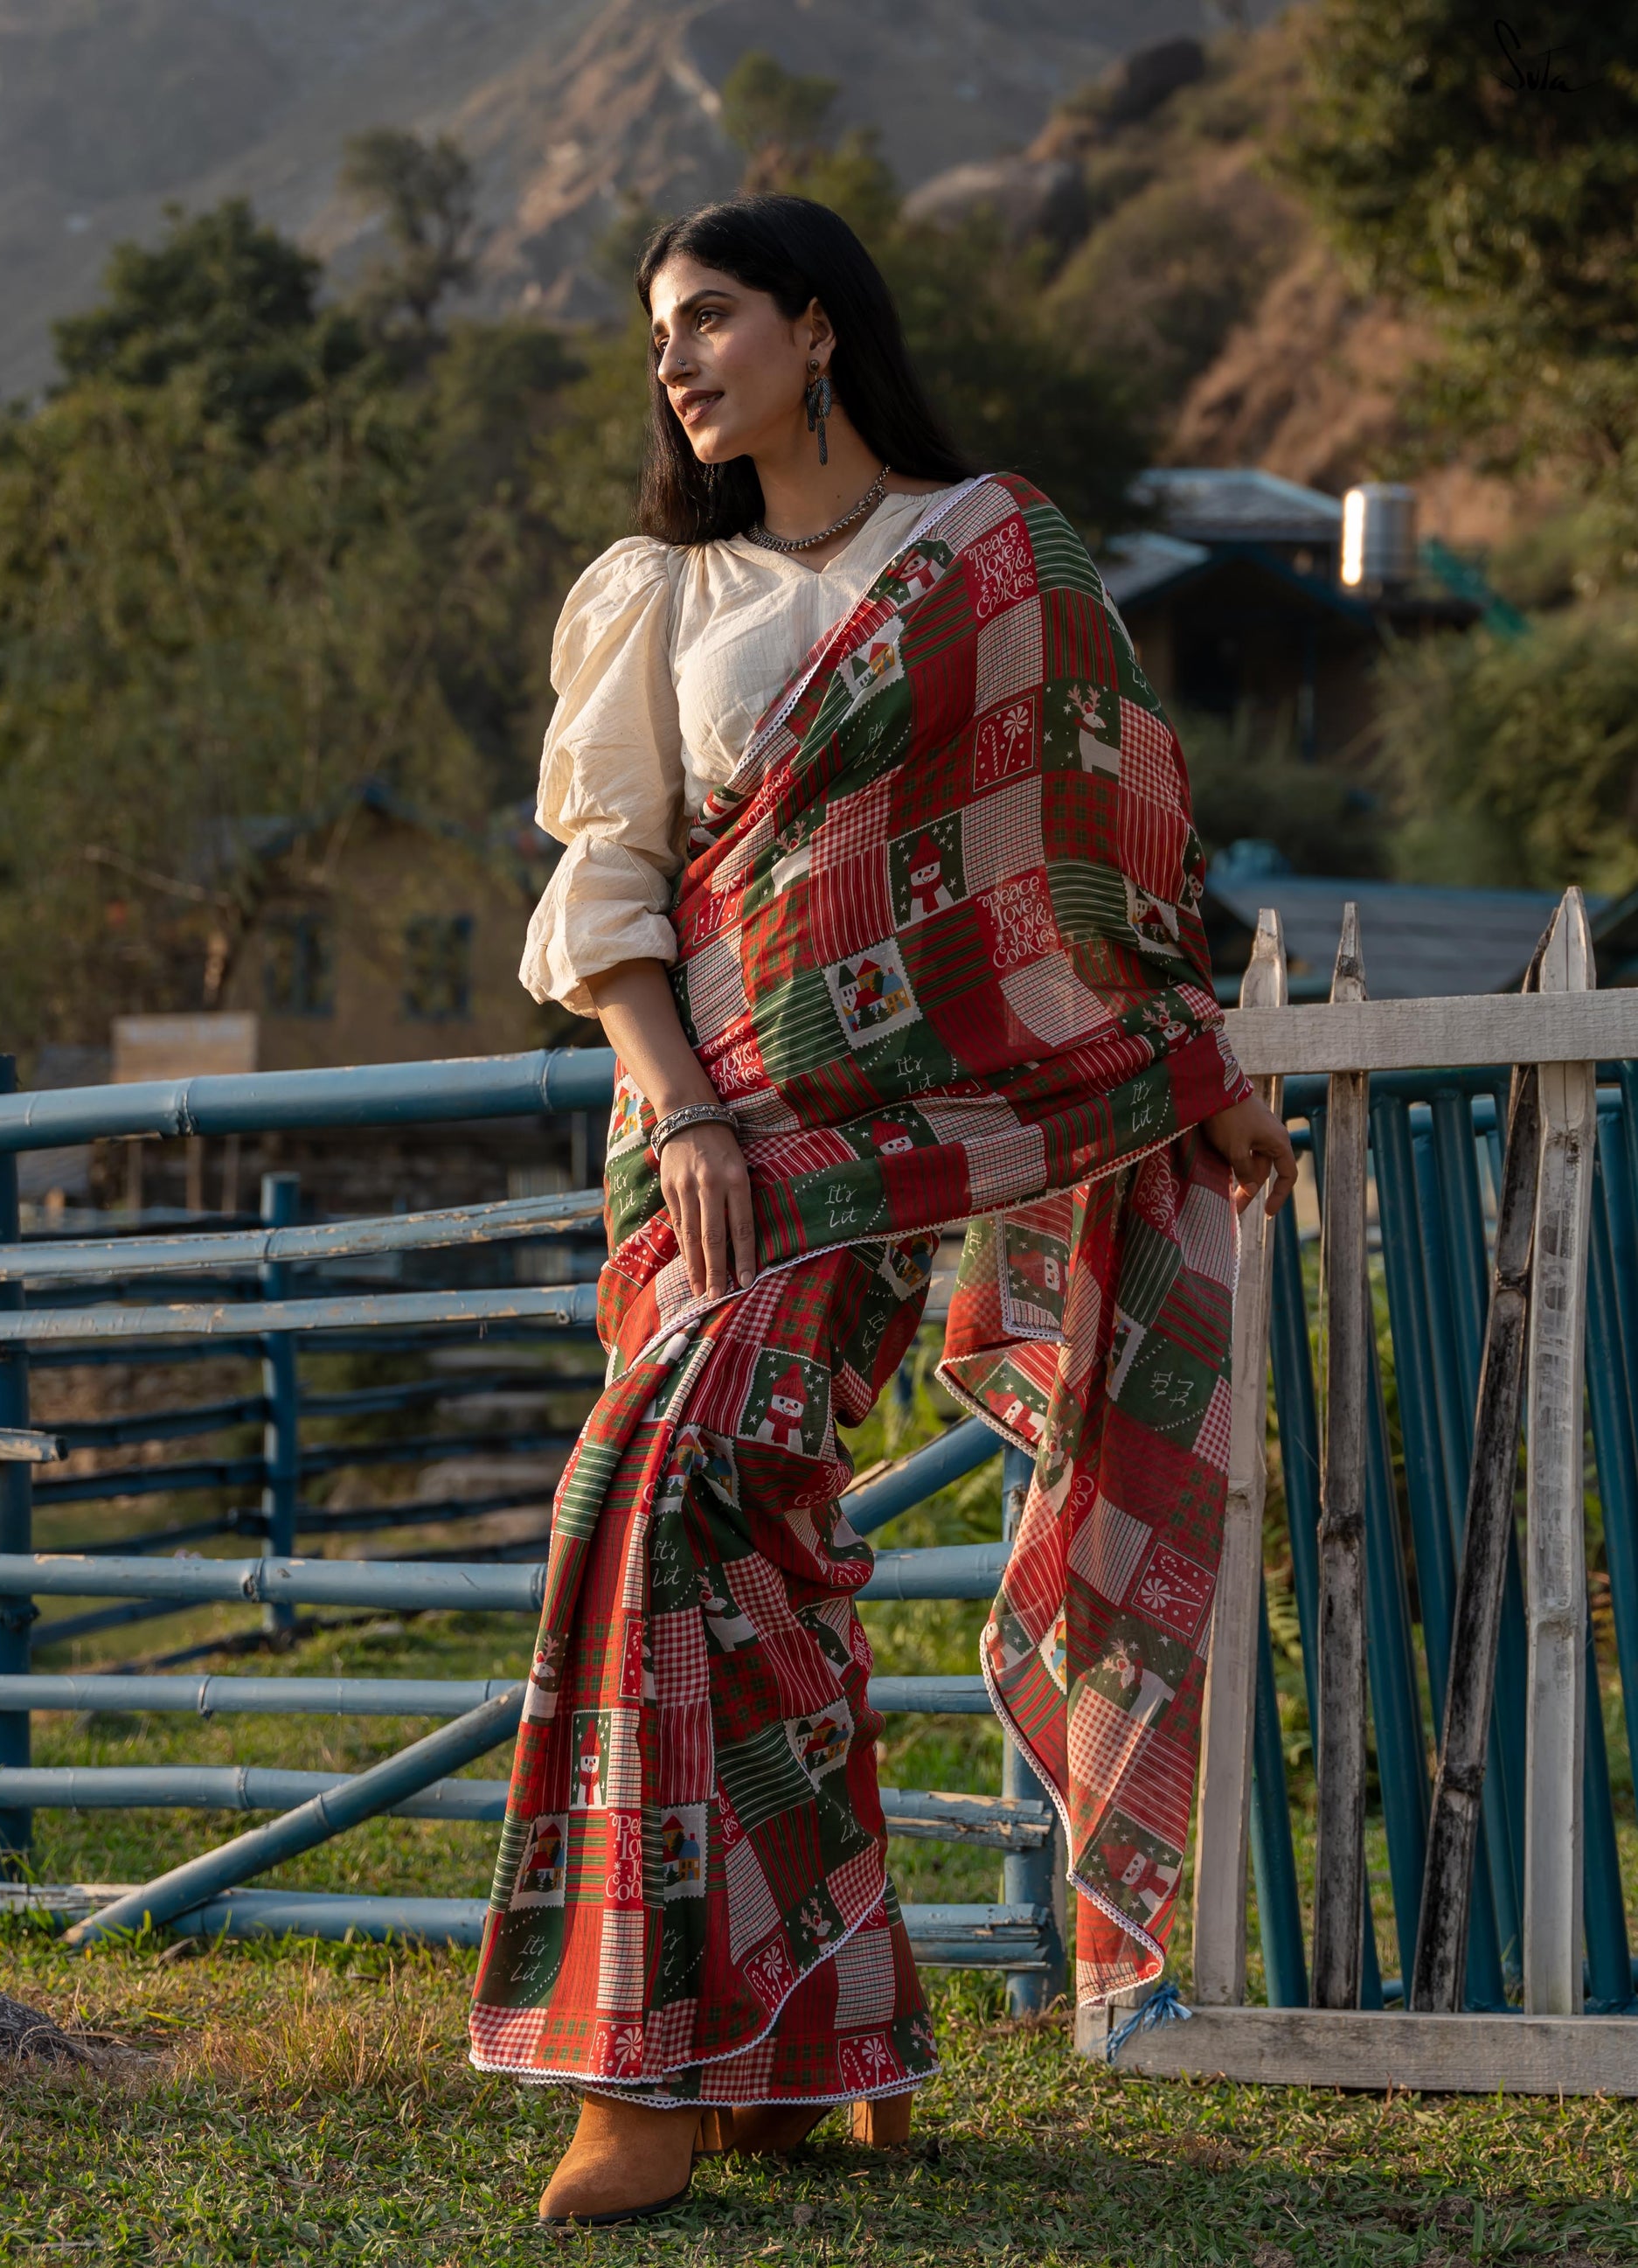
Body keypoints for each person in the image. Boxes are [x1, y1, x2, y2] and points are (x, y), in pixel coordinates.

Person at [468, 193, 1297, 2230]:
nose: (674, 360)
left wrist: (1187, 1057)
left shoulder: (991, 551)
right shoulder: (661, 591)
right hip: (707, 1131)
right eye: (658, 333)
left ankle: (647, 2066)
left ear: (817, 326)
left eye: (709, 316)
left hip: (901, 1136)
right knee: (745, 1536)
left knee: (659, 1492)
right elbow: (613, 881)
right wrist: (688, 1116)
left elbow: (1105, 847)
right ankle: (820, 2029)